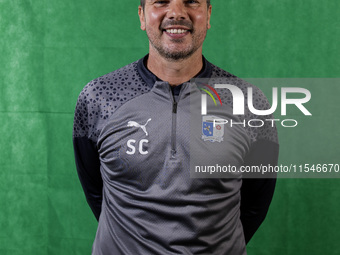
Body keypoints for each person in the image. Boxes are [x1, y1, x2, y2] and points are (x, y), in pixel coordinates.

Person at [73, 0, 279, 254]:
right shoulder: (99, 97)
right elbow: (97, 192)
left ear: (208, 13)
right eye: (161, 2)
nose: (177, 13)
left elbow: (254, 204)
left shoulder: (249, 103)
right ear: (141, 15)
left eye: (191, 1)